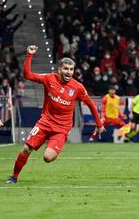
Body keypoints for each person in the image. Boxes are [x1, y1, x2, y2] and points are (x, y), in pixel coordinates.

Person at [7, 45, 105, 184]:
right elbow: (27, 75)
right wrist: (29, 55)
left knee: (47, 157)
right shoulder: (49, 79)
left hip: (61, 129)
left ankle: (54, 146)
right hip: (45, 122)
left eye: (71, 69)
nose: (69, 72)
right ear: (59, 70)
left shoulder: (78, 87)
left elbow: (91, 104)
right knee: (26, 148)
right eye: (66, 68)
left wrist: (99, 125)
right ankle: (14, 177)